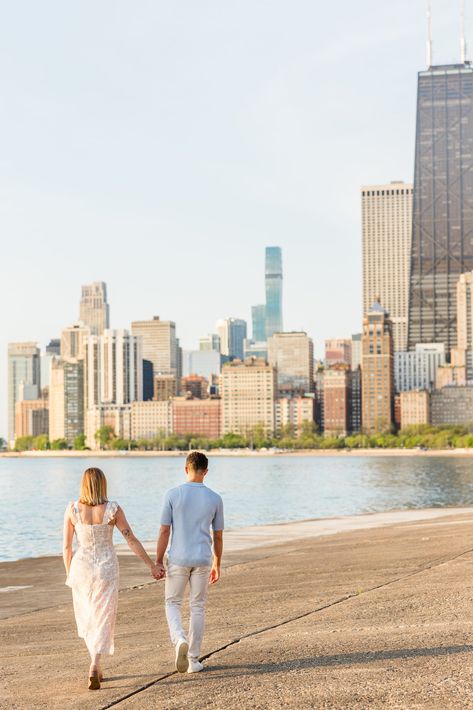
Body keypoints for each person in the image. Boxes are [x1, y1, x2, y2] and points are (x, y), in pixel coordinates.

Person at [63, 467, 163, 690]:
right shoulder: (112, 509)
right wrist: (151, 565)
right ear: (103, 484)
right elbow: (130, 538)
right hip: (106, 567)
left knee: (88, 616)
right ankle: (95, 664)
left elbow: (67, 547)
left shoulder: (72, 509)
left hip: (81, 568)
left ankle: (95, 665)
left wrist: (70, 573)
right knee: (103, 616)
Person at [156, 451, 224, 674]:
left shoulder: (172, 494)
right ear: (206, 471)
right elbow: (219, 535)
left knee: (172, 603)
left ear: (186, 469)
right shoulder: (215, 498)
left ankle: (179, 640)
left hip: (178, 558)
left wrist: (157, 559)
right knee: (198, 607)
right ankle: (193, 659)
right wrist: (217, 563)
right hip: (203, 559)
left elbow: (165, 530)